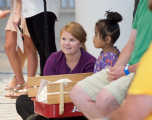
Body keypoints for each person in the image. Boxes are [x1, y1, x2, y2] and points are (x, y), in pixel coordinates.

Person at [70, 1, 152, 118]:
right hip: (128, 68)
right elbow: (131, 43)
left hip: (141, 71)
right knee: (77, 93)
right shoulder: (142, 3)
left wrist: (126, 70)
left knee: (104, 98)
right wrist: (115, 70)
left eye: (96, 34)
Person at [16, 22, 96, 120]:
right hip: (52, 103)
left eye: (72, 40)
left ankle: (42, 118)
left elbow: (87, 95)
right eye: (64, 39)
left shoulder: (90, 62)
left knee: (73, 113)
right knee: (22, 101)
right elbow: (46, 89)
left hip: (74, 108)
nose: (66, 43)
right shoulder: (54, 58)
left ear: (81, 43)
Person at [13, 0, 60, 76]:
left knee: (48, 51)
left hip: (43, 8)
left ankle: (52, 81)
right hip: (28, 10)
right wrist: (17, 12)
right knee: (41, 52)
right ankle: (44, 80)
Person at [5, 0, 38, 97]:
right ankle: (20, 81)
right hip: (15, 11)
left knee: (29, 47)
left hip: (28, 10)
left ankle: (30, 85)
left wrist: (17, 12)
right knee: (8, 46)